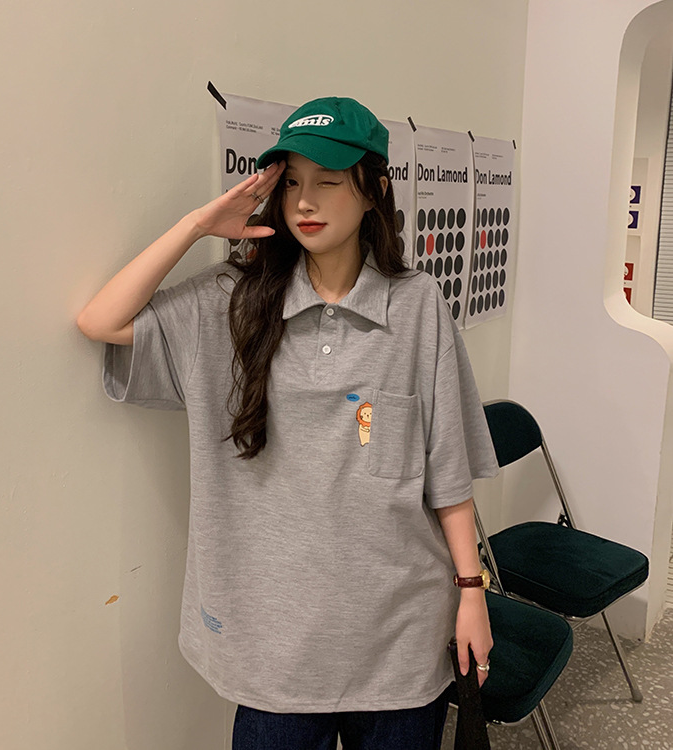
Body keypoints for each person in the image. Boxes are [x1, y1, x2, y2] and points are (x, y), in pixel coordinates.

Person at [77, 96, 499, 750]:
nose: (305, 201)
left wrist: (472, 594)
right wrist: (196, 226)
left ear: (374, 190)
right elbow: (100, 321)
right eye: (292, 182)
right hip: (273, 648)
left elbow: (447, 472)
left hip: (401, 638)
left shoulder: (417, 305)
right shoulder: (231, 303)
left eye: (328, 182)